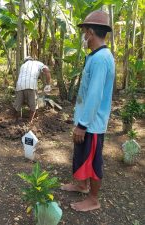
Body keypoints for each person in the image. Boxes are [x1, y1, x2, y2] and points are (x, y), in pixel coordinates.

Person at [60, 10, 115, 212]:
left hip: (92, 123)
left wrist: (82, 125)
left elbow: (94, 95)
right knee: (81, 155)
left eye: (84, 32)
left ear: (90, 32)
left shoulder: (101, 59)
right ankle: (82, 186)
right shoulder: (96, 56)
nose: (83, 36)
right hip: (86, 119)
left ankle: (93, 199)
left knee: (92, 160)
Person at [13, 56, 51, 123]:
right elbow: (47, 71)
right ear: (32, 60)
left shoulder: (22, 66)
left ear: (25, 61)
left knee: (18, 105)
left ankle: (18, 120)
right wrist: (48, 84)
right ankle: (29, 122)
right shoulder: (38, 63)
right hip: (31, 85)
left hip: (19, 85)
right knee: (33, 105)